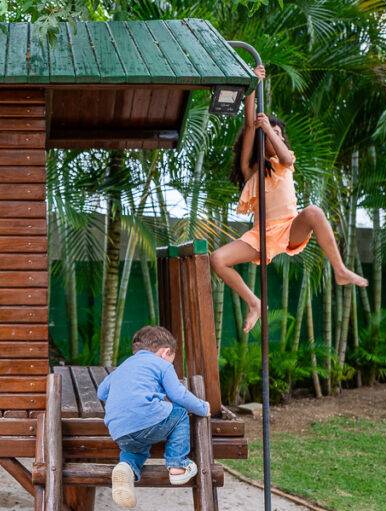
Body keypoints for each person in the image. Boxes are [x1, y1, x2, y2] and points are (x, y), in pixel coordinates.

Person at [210, 65, 367, 333]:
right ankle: (254, 303)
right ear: (261, 140)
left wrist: (269, 129)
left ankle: (340, 270)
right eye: (272, 135)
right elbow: (249, 125)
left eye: (280, 135)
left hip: (289, 227)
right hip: (260, 235)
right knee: (217, 259)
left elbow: (284, 154)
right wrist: (252, 85)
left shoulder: (285, 164)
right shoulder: (253, 171)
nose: (277, 138)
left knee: (314, 212)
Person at [97, 326, 210, 509]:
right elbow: (178, 395)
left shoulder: (122, 367)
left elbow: (101, 393)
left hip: (119, 430)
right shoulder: (163, 365)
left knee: (135, 451)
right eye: (172, 359)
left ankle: (125, 468)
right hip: (147, 419)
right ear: (166, 352)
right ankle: (178, 465)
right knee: (180, 413)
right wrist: (203, 407)